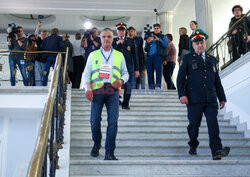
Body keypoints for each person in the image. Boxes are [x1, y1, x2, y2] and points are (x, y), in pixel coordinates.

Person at [177, 30, 230, 160]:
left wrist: (222, 97)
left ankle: (216, 150)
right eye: (197, 43)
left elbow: (216, 80)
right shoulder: (188, 58)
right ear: (193, 45)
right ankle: (193, 144)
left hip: (210, 98)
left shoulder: (212, 59)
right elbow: (180, 79)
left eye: (201, 42)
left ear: (204, 43)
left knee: (213, 124)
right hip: (194, 99)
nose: (200, 45)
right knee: (194, 125)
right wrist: (182, 95)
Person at [82, 28, 129, 160]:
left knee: (113, 122)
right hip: (97, 91)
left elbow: (126, 73)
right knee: (94, 121)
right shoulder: (93, 54)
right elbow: (86, 74)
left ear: (112, 39)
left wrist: (121, 80)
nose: (106, 39)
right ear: (100, 39)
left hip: (113, 91)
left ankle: (110, 152)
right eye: (104, 37)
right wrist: (88, 89)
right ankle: (97, 144)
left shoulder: (119, 55)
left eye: (109, 36)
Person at [113, 23, 139, 109]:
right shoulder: (112, 41)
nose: (121, 31)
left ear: (125, 31)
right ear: (117, 31)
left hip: (127, 67)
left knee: (128, 85)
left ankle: (125, 103)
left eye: (123, 30)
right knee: (114, 85)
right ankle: (117, 101)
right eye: (119, 30)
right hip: (115, 67)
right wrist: (117, 43)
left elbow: (135, 56)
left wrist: (137, 69)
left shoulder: (131, 41)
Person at [145, 23, 168, 89]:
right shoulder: (151, 36)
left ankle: (158, 86)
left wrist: (159, 40)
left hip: (158, 56)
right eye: (155, 28)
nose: (156, 29)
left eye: (157, 28)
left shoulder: (163, 36)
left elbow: (166, 45)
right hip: (149, 56)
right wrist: (147, 42)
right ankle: (151, 87)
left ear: (160, 29)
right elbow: (146, 49)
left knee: (158, 71)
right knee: (149, 72)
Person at [34, 21, 49, 86]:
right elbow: (36, 35)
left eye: (45, 34)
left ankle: (44, 87)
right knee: (38, 75)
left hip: (45, 60)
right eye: (42, 34)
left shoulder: (49, 42)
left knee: (45, 75)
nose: (43, 35)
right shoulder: (40, 40)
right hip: (38, 59)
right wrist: (38, 26)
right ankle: (38, 88)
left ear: (47, 35)